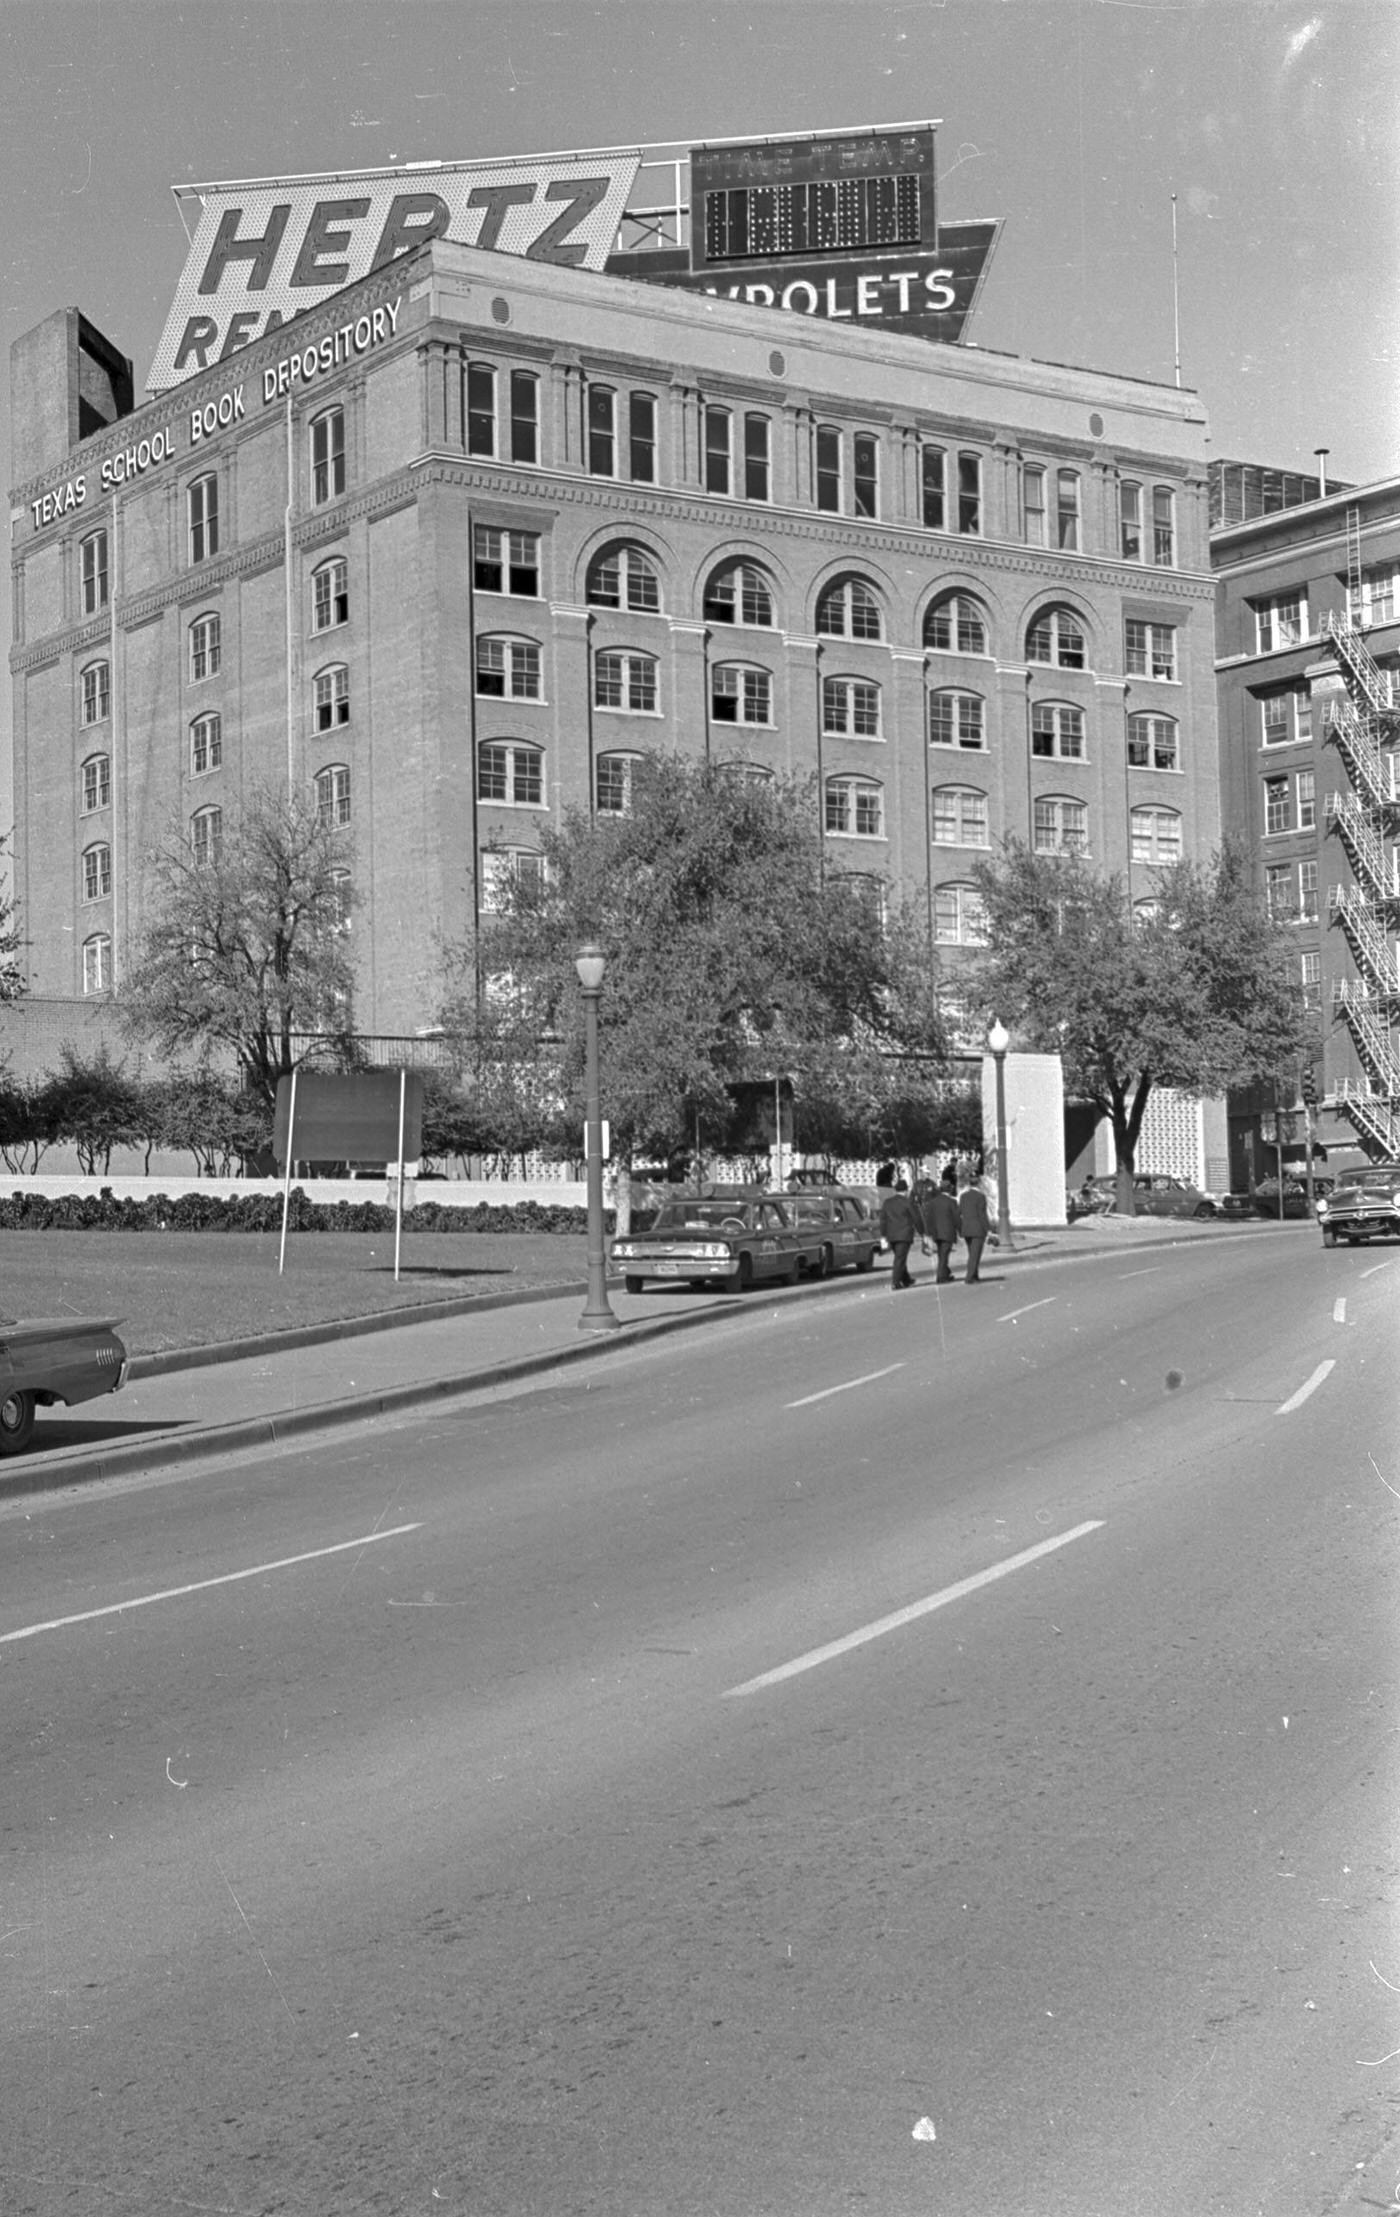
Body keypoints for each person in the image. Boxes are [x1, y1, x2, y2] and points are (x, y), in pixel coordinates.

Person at [878, 1177, 923, 1291]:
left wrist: (883, 1235)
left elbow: (883, 1220)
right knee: (900, 1259)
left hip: (891, 1235)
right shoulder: (908, 1202)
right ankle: (895, 1282)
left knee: (899, 1257)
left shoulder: (887, 1202)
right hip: (904, 1234)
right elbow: (916, 1218)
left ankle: (906, 1279)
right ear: (906, 1190)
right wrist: (922, 1232)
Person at [922, 1177, 960, 1283]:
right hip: (948, 1232)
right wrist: (960, 1229)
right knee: (944, 1255)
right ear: (949, 1189)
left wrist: (928, 1232)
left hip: (936, 1233)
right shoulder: (952, 1202)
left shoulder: (933, 1202)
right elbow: (956, 1218)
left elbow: (928, 1218)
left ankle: (945, 1273)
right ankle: (941, 1276)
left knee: (941, 1254)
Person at [958, 1170, 990, 1283]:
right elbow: (982, 1214)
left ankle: (975, 1275)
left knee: (972, 1253)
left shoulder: (963, 1196)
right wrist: (988, 1229)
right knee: (975, 1255)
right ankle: (970, 1277)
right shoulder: (981, 1196)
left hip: (966, 1228)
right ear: (979, 1182)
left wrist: (960, 1228)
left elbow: (960, 1212)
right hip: (977, 1229)